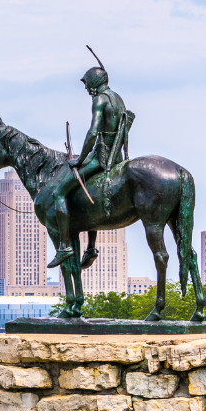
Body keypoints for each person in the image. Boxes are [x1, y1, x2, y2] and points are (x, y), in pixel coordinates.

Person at [45, 65, 132, 269]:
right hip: (117, 157)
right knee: (89, 193)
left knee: (59, 193)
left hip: (101, 158)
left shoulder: (99, 100)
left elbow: (93, 132)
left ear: (94, 81)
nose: (86, 88)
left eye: (87, 84)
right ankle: (91, 248)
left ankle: (64, 246)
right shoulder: (117, 98)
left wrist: (80, 159)